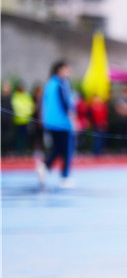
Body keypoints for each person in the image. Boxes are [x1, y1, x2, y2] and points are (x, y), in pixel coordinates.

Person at [36, 60, 76, 189]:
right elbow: (65, 103)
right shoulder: (61, 83)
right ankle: (64, 177)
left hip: (51, 122)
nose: (69, 71)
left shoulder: (50, 83)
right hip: (62, 122)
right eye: (67, 69)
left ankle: (45, 167)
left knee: (58, 148)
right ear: (60, 69)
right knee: (67, 150)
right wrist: (72, 118)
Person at [11, 82, 35, 154]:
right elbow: (16, 107)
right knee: (18, 136)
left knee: (25, 137)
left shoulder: (26, 96)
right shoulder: (15, 96)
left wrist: (27, 113)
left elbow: (31, 106)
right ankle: (18, 150)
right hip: (18, 120)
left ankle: (24, 150)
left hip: (26, 120)